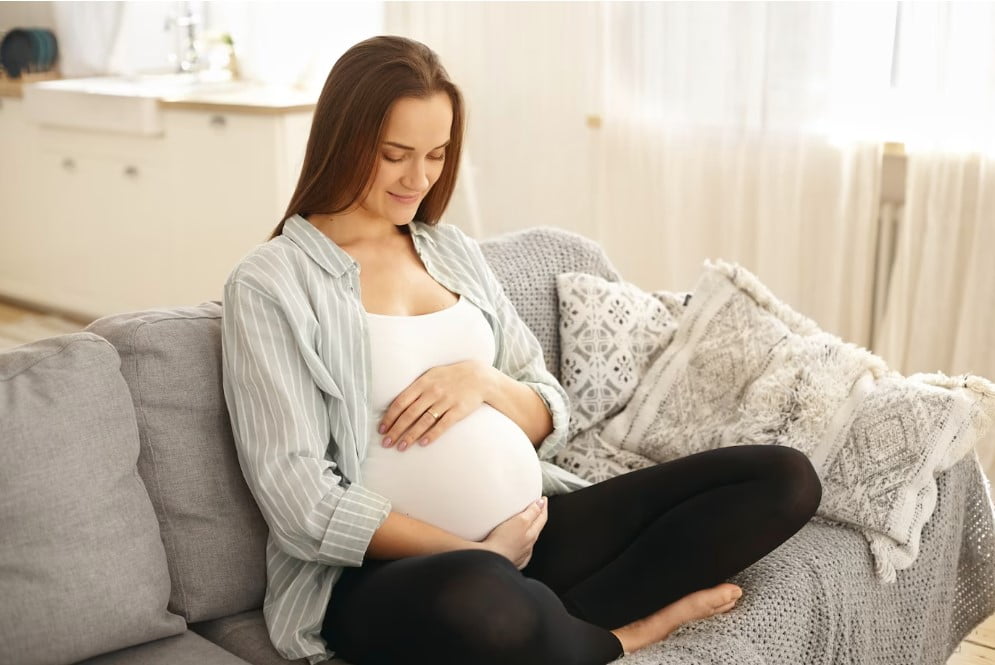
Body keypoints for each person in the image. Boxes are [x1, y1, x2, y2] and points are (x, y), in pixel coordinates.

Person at [221, 35, 822, 665]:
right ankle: (620, 636)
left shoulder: (451, 252)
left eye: (436, 155)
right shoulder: (272, 282)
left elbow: (547, 411)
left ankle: (553, 623)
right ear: (343, 141)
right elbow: (299, 498)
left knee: (783, 480)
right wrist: (481, 554)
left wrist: (481, 381)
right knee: (486, 601)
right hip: (386, 579)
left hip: (532, 531)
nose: (419, 179)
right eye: (395, 155)